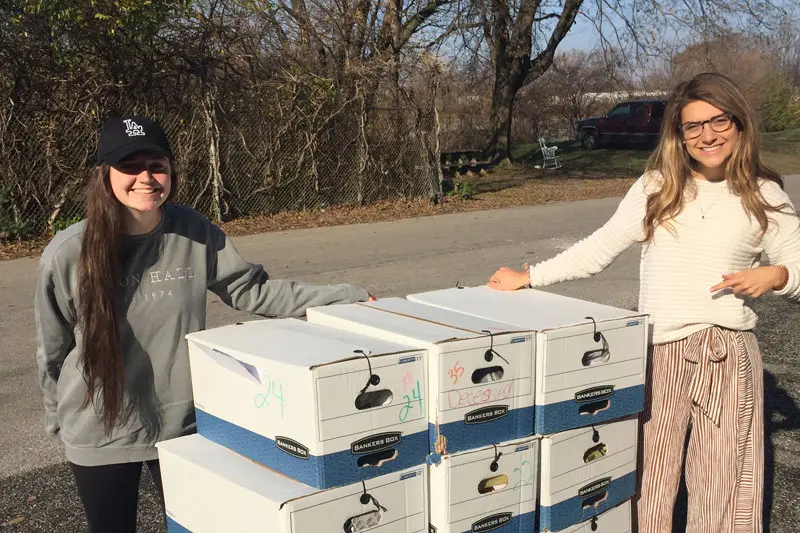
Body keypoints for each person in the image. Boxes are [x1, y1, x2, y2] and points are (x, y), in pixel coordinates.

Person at [487, 72, 800, 533]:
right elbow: (600, 247)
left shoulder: (763, 193)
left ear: (739, 124)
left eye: (718, 121)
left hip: (727, 355)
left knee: (724, 486)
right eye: (693, 126)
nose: (707, 135)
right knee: (645, 478)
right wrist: (530, 277)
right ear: (679, 133)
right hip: (657, 352)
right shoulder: (658, 185)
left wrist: (778, 275)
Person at [34, 115, 373, 532]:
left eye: (157, 165)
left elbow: (254, 291)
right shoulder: (69, 252)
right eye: (130, 166)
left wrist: (347, 296)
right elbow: (53, 349)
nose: (146, 177)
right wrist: (59, 421)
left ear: (171, 170)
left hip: (181, 426)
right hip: (99, 428)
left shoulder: (193, 231)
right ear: (105, 175)